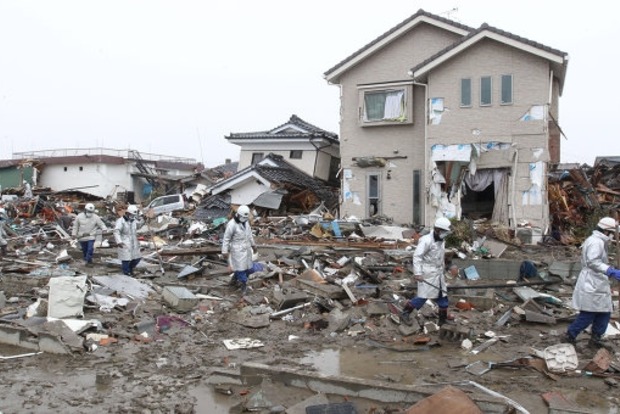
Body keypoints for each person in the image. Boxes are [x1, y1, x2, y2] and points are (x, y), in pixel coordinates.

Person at [565, 217, 620, 348]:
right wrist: (610, 271)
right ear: (607, 232)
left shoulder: (599, 241)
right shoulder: (596, 242)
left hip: (598, 281)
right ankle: (570, 335)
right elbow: (593, 261)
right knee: (588, 313)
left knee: (604, 312)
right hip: (592, 281)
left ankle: (596, 338)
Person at [401, 217, 452, 326]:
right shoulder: (426, 240)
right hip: (427, 274)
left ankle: (442, 320)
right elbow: (417, 256)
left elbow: (440, 256)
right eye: (444, 232)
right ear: (438, 230)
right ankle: (405, 313)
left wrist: (443, 268)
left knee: (442, 296)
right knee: (422, 297)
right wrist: (418, 273)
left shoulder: (441, 240)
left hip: (438, 273)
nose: (445, 234)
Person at [221, 205, 257, 294]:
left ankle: (233, 280)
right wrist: (224, 251)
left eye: (246, 217)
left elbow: (249, 235)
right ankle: (243, 286)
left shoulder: (246, 223)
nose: (244, 219)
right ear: (238, 214)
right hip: (237, 250)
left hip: (247, 248)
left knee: (249, 269)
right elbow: (226, 238)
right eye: (243, 217)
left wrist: (253, 245)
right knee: (240, 269)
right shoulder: (231, 224)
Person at [114, 204, 144, 276]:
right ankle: (126, 273)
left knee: (137, 258)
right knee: (126, 259)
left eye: (134, 215)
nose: (132, 216)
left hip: (134, 241)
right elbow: (116, 231)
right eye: (131, 215)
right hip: (125, 241)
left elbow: (139, 225)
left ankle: (130, 269)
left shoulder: (133, 220)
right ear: (127, 213)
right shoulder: (121, 221)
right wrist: (119, 241)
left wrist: (144, 219)